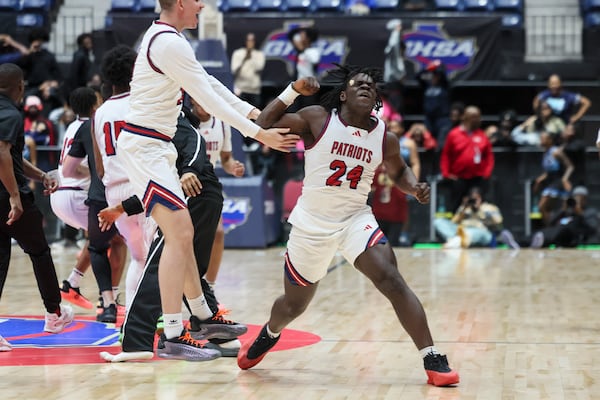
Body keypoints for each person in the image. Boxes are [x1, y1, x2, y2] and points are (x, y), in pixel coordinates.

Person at [237, 66, 459, 387]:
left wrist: (414, 188)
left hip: (356, 218)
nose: (366, 87)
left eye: (372, 86)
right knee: (293, 306)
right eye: (358, 84)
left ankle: (432, 356)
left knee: (392, 280)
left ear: (377, 100)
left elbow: (399, 173)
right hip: (311, 224)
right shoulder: (317, 118)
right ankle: (270, 332)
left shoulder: (385, 136)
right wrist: (293, 91)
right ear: (343, 95)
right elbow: (260, 125)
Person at [114, 0, 299, 361]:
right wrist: (258, 134)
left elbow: (211, 84)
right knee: (180, 234)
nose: (201, 5)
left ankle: (200, 316)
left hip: (157, 147)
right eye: (196, 0)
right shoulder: (168, 42)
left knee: (182, 236)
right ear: (180, 2)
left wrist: (254, 115)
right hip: (144, 147)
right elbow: (207, 99)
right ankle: (173, 332)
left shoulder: (170, 40)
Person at [98, 110, 248, 362]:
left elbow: (179, 166)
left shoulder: (178, 124)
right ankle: (197, 327)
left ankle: (190, 329)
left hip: (199, 197)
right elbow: (161, 185)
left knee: (174, 266)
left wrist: (189, 169)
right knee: (175, 266)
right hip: (200, 197)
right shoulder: (163, 130)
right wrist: (121, 208)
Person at [0, 63, 74, 351]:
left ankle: (55, 313)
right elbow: (2, 153)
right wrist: (14, 196)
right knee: (40, 253)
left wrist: (42, 175)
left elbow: (13, 157)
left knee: (5, 256)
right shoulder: (9, 113)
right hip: (8, 198)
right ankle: (54, 314)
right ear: (20, 87)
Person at [62, 87, 128, 322]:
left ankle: (107, 303)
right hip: (133, 195)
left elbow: (67, 170)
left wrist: (92, 174)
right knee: (139, 251)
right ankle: (148, 308)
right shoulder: (136, 112)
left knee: (98, 246)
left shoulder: (85, 126)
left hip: (96, 195)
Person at [93, 45, 149, 312]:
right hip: (141, 188)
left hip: (113, 192)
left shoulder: (100, 112)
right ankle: (163, 322)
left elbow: (100, 167)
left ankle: (131, 323)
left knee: (139, 259)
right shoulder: (140, 103)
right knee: (158, 258)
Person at [188, 98, 245, 291]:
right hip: (185, 183)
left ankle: (209, 287)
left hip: (208, 184)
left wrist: (233, 167)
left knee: (218, 233)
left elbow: (226, 158)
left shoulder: (221, 122)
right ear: (193, 99)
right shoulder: (183, 121)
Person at [440, 105, 494, 213]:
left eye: (479, 116)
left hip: (477, 178)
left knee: (477, 205)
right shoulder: (454, 134)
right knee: (457, 207)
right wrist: (446, 173)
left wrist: (487, 173)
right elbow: (446, 155)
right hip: (458, 178)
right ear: (465, 117)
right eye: (475, 117)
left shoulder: (482, 135)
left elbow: (489, 156)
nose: (478, 119)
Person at [433, 187, 513, 249]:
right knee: (438, 222)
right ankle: (457, 240)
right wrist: (463, 208)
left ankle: (454, 242)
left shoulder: (489, 207)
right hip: (462, 230)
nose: (474, 201)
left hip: (482, 232)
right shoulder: (465, 208)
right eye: (472, 198)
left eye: (476, 198)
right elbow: (453, 222)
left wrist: (482, 210)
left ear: (481, 198)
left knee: (471, 232)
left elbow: (499, 221)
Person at [532, 131, 573, 227]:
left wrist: (565, 179)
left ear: (550, 140)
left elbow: (570, 166)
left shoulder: (556, 152)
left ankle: (554, 228)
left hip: (558, 182)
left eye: (543, 138)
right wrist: (540, 179)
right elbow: (549, 171)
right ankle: (551, 228)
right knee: (547, 208)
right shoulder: (545, 153)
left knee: (544, 206)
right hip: (550, 182)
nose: (541, 140)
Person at [530, 195, 595, 248]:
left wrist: (580, 213)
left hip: (571, 239)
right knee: (545, 231)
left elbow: (591, 229)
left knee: (564, 229)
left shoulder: (585, 214)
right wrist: (563, 209)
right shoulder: (563, 214)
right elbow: (551, 223)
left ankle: (542, 239)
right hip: (557, 239)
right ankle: (529, 241)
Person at [416, 60, 450, 145]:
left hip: (442, 119)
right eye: (433, 75)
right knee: (428, 143)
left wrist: (437, 66)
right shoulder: (427, 86)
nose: (434, 77)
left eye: (436, 76)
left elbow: (443, 75)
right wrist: (427, 68)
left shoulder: (445, 87)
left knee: (441, 143)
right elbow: (417, 77)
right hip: (429, 119)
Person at [230, 32, 265, 108]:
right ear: (245, 41)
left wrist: (251, 57)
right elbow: (234, 70)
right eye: (248, 40)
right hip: (240, 88)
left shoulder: (259, 54)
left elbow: (259, 68)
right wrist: (244, 59)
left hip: (254, 89)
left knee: (255, 113)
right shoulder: (238, 53)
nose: (250, 43)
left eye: (252, 40)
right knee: (240, 112)